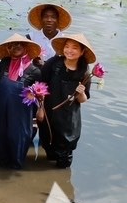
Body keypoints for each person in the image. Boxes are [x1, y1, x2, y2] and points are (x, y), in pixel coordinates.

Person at [0, 33, 42, 170]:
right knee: (2, 134)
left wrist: (40, 109)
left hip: (21, 111)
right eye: (11, 45)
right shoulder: (5, 62)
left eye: (19, 44)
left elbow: (42, 93)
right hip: (2, 107)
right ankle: (2, 164)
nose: (15, 47)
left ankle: (16, 165)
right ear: (8, 49)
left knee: (18, 136)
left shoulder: (35, 70)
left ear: (26, 47)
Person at [38, 33, 95, 168]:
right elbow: (41, 86)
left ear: (82, 52)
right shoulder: (53, 63)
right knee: (48, 143)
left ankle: (62, 173)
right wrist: (40, 108)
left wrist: (80, 93)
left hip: (69, 118)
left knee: (64, 153)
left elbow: (83, 99)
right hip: (49, 112)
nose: (69, 50)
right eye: (67, 46)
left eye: (74, 48)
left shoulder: (85, 72)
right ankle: (53, 180)